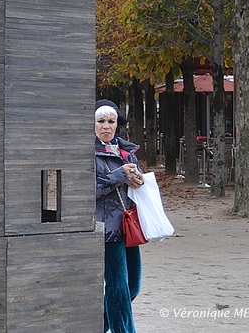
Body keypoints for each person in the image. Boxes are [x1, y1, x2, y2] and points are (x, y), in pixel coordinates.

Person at [94, 100, 145, 333]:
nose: (106, 126)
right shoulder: (86, 154)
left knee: (132, 286)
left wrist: (138, 179)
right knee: (118, 290)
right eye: (101, 121)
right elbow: (87, 192)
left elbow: (136, 182)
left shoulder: (127, 153)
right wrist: (117, 175)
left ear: (117, 125)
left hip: (129, 226)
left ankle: (94, 325)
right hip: (106, 229)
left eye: (111, 121)